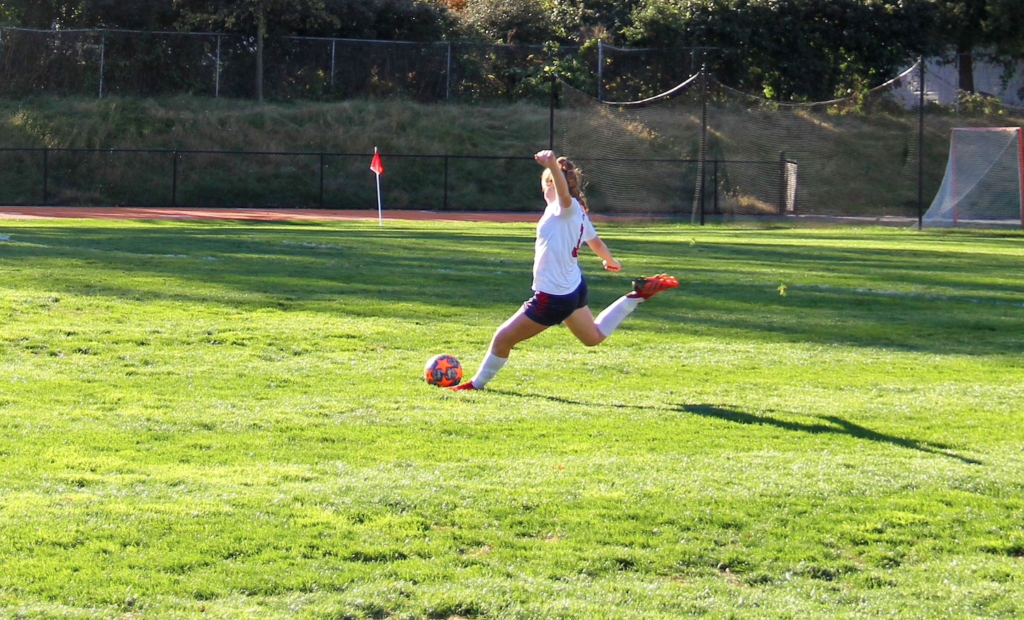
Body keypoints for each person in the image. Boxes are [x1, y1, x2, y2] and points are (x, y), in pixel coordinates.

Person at [447, 149, 678, 391]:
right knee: (593, 338)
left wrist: (552, 167)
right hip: (573, 288)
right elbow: (595, 241)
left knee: (503, 338)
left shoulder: (563, 208)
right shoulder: (576, 211)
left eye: (545, 186)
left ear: (552, 185)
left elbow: (564, 199)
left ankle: (476, 385)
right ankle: (636, 297)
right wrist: (611, 260)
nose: (543, 191)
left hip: (554, 296)